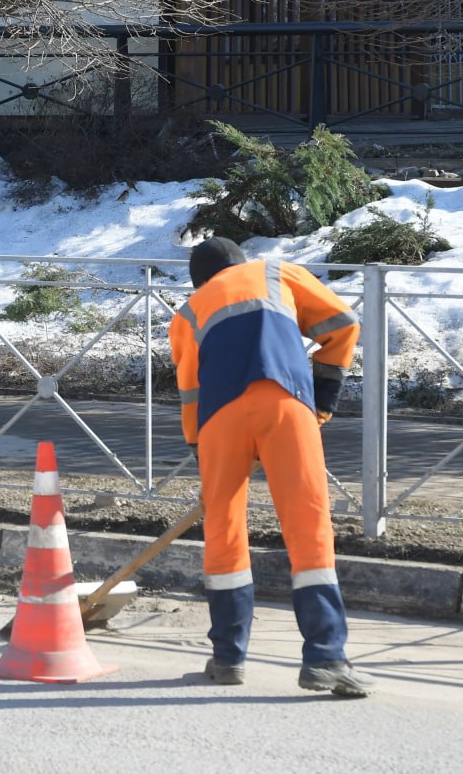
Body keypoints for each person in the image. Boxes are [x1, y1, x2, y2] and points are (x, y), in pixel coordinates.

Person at [169, 236, 374, 697]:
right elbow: (342, 324)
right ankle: (325, 660)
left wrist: (204, 456)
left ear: (199, 280)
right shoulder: (277, 273)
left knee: (224, 530)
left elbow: (189, 394)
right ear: (241, 262)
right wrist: (321, 401)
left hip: (220, 420)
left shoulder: (188, 312)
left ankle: (228, 658)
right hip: (286, 403)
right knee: (308, 526)